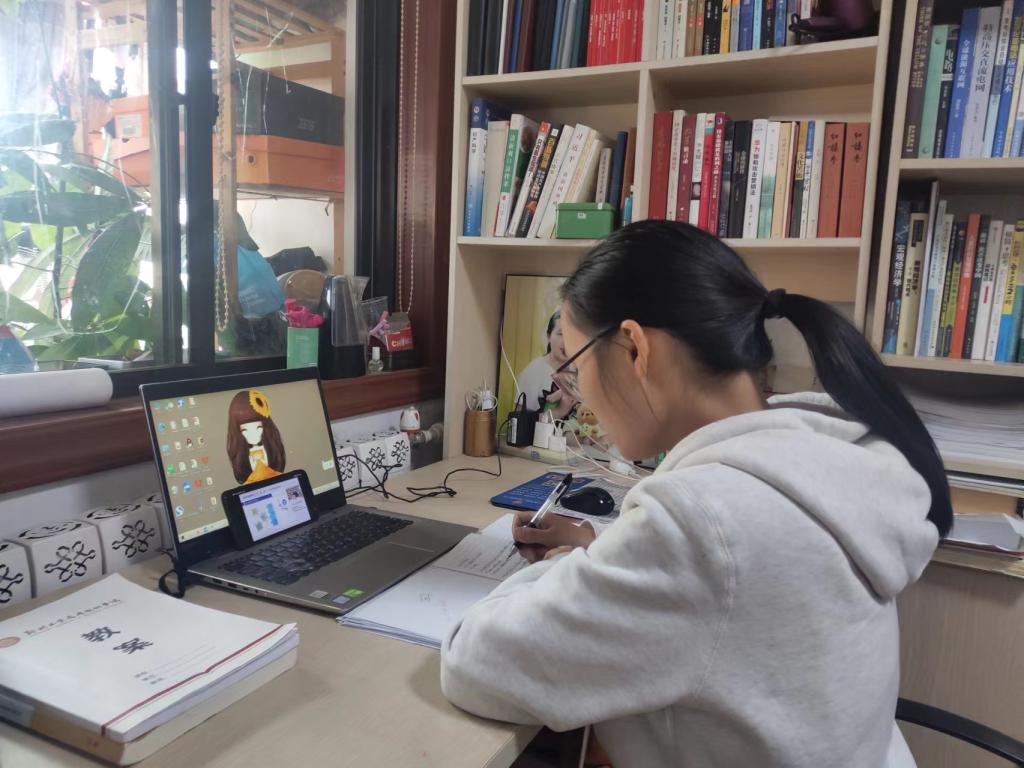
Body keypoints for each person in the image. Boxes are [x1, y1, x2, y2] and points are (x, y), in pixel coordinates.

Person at [440, 221, 950, 768]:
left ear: (634, 348)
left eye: (577, 365)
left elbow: (474, 663)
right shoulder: (817, 455)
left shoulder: (700, 520)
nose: (580, 389)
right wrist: (600, 549)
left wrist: (562, 567)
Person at [516, 310, 579, 421]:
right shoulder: (533, 372)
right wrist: (560, 411)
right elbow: (520, 421)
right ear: (548, 336)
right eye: (561, 334)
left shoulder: (579, 370)